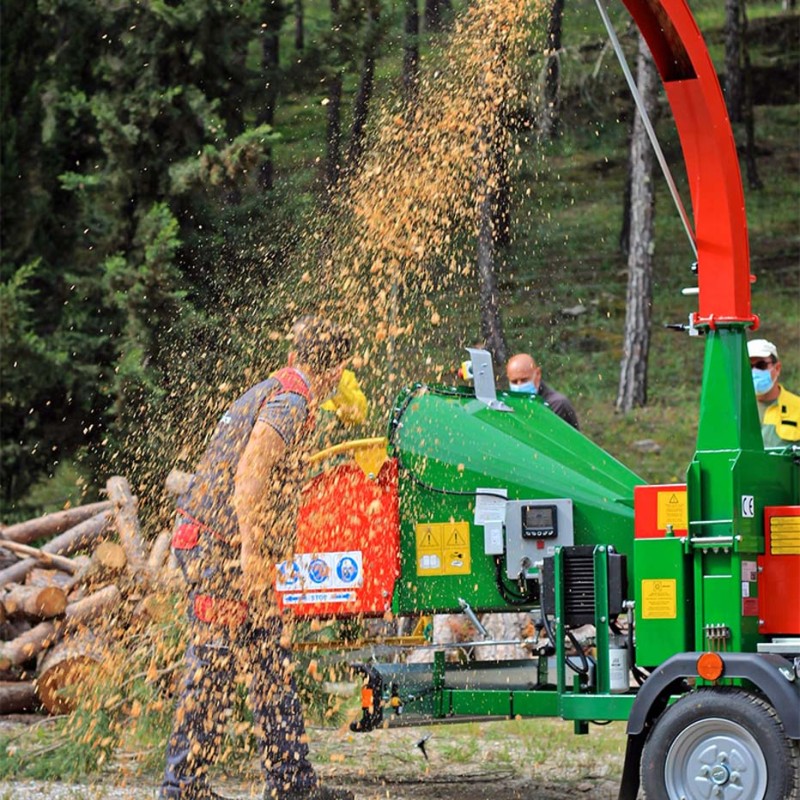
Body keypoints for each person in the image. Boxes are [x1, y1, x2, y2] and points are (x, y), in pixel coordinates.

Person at [159, 316, 355, 800]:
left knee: (268, 660)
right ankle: (182, 787)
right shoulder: (292, 401)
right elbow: (251, 473)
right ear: (336, 371)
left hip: (225, 545)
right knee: (215, 666)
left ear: (296, 355)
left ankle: (293, 783)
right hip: (219, 550)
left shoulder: (276, 386)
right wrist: (251, 550)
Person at [506, 352, 580, 430]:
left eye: (524, 380)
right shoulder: (509, 403)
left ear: (537, 374)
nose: (519, 386)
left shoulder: (556, 405)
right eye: (514, 382)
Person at [748, 338, 800, 448]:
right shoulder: (734, 411)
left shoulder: (797, 408)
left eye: (761, 365)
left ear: (777, 368)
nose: (754, 372)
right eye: (748, 366)